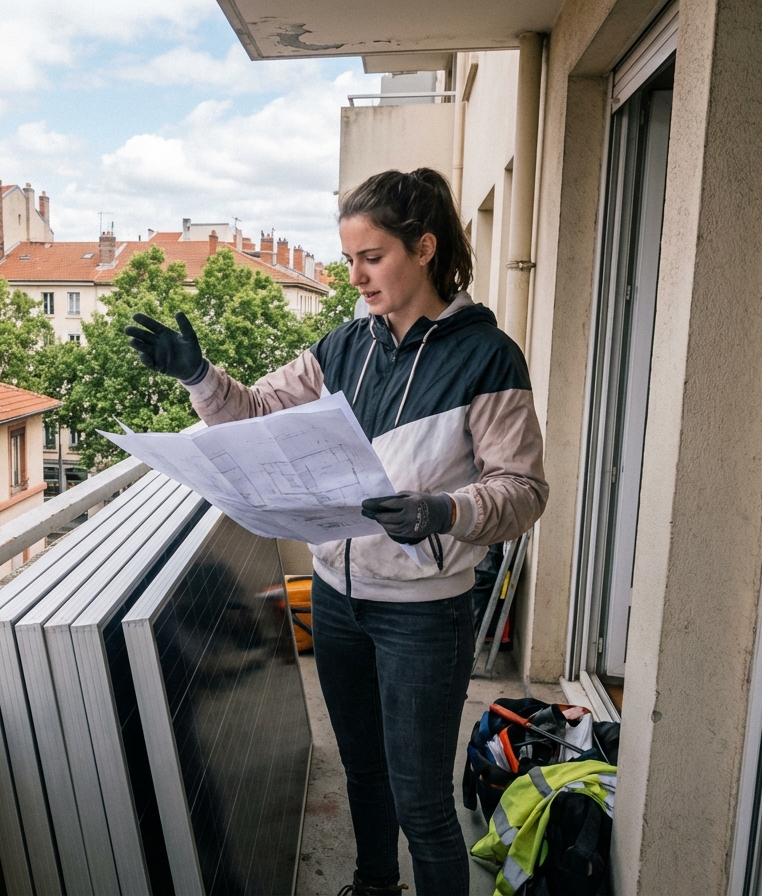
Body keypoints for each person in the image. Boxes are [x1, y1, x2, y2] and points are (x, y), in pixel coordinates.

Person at [125, 168, 548, 895]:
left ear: (423, 247)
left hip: (423, 612)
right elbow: (257, 412)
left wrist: (443, 511)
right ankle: (376, 885)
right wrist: (198, 376)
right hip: (337, 598)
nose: (353, 276)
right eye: (347, 258)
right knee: (364, 774)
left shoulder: (488, 357)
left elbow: (524, 490)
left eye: (370, 256)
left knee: (422, 801)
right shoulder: (344, 346)